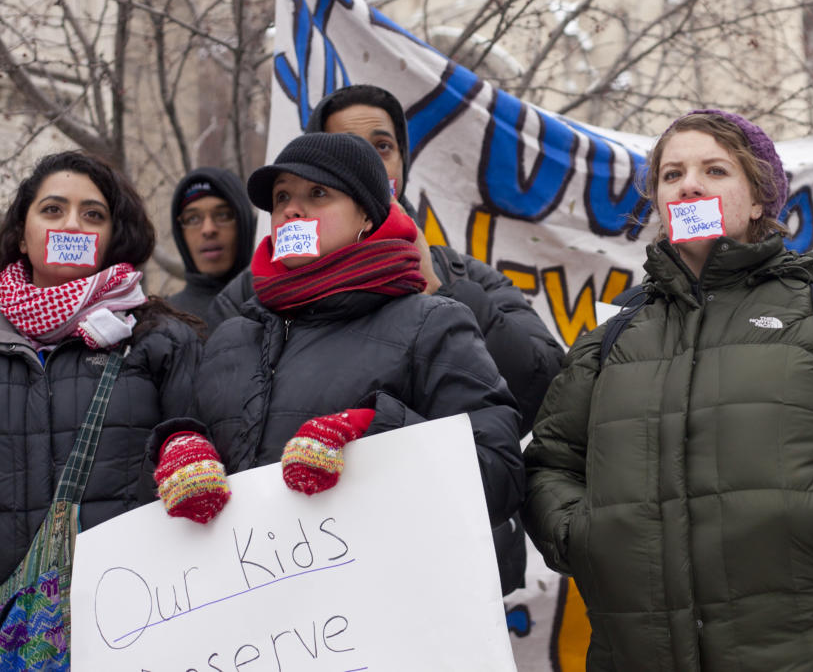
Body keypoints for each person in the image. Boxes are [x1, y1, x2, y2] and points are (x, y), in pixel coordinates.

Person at [525, 109, 813, 672]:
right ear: (658, 201)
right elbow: (549, 465)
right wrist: (580, 536)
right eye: (672, 174)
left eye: (715, 170)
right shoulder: (610, 340)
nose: (691, 185)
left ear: (759, 199)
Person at [153, 132, 524, 541]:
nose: (292, 211)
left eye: (317, 193)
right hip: (248, 592)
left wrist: (377, 432)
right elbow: (191, 439)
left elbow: (500, 477)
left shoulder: (432, 323)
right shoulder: (231, 336)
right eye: (281, 198)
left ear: (365, 215)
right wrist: (181, 446)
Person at [0, 151, 200, 661]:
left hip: (129, 626)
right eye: (53, 210)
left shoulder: (160, 342)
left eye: (93, 215)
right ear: (23, 235)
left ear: (111, 236)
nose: (72, 225)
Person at [206, 85, 562, 432]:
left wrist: (441, 291)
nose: (369, 162)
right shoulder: (249, 297)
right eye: (348, 148)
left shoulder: (464, 275)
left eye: (383, 147)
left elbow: (543, 393)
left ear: (403, 161)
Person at [166, 166, 256, 324]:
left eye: (223, 215)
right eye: (193, 219)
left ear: (245, 222)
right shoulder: (164, 321)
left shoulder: (278, 306)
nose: (208, 230)